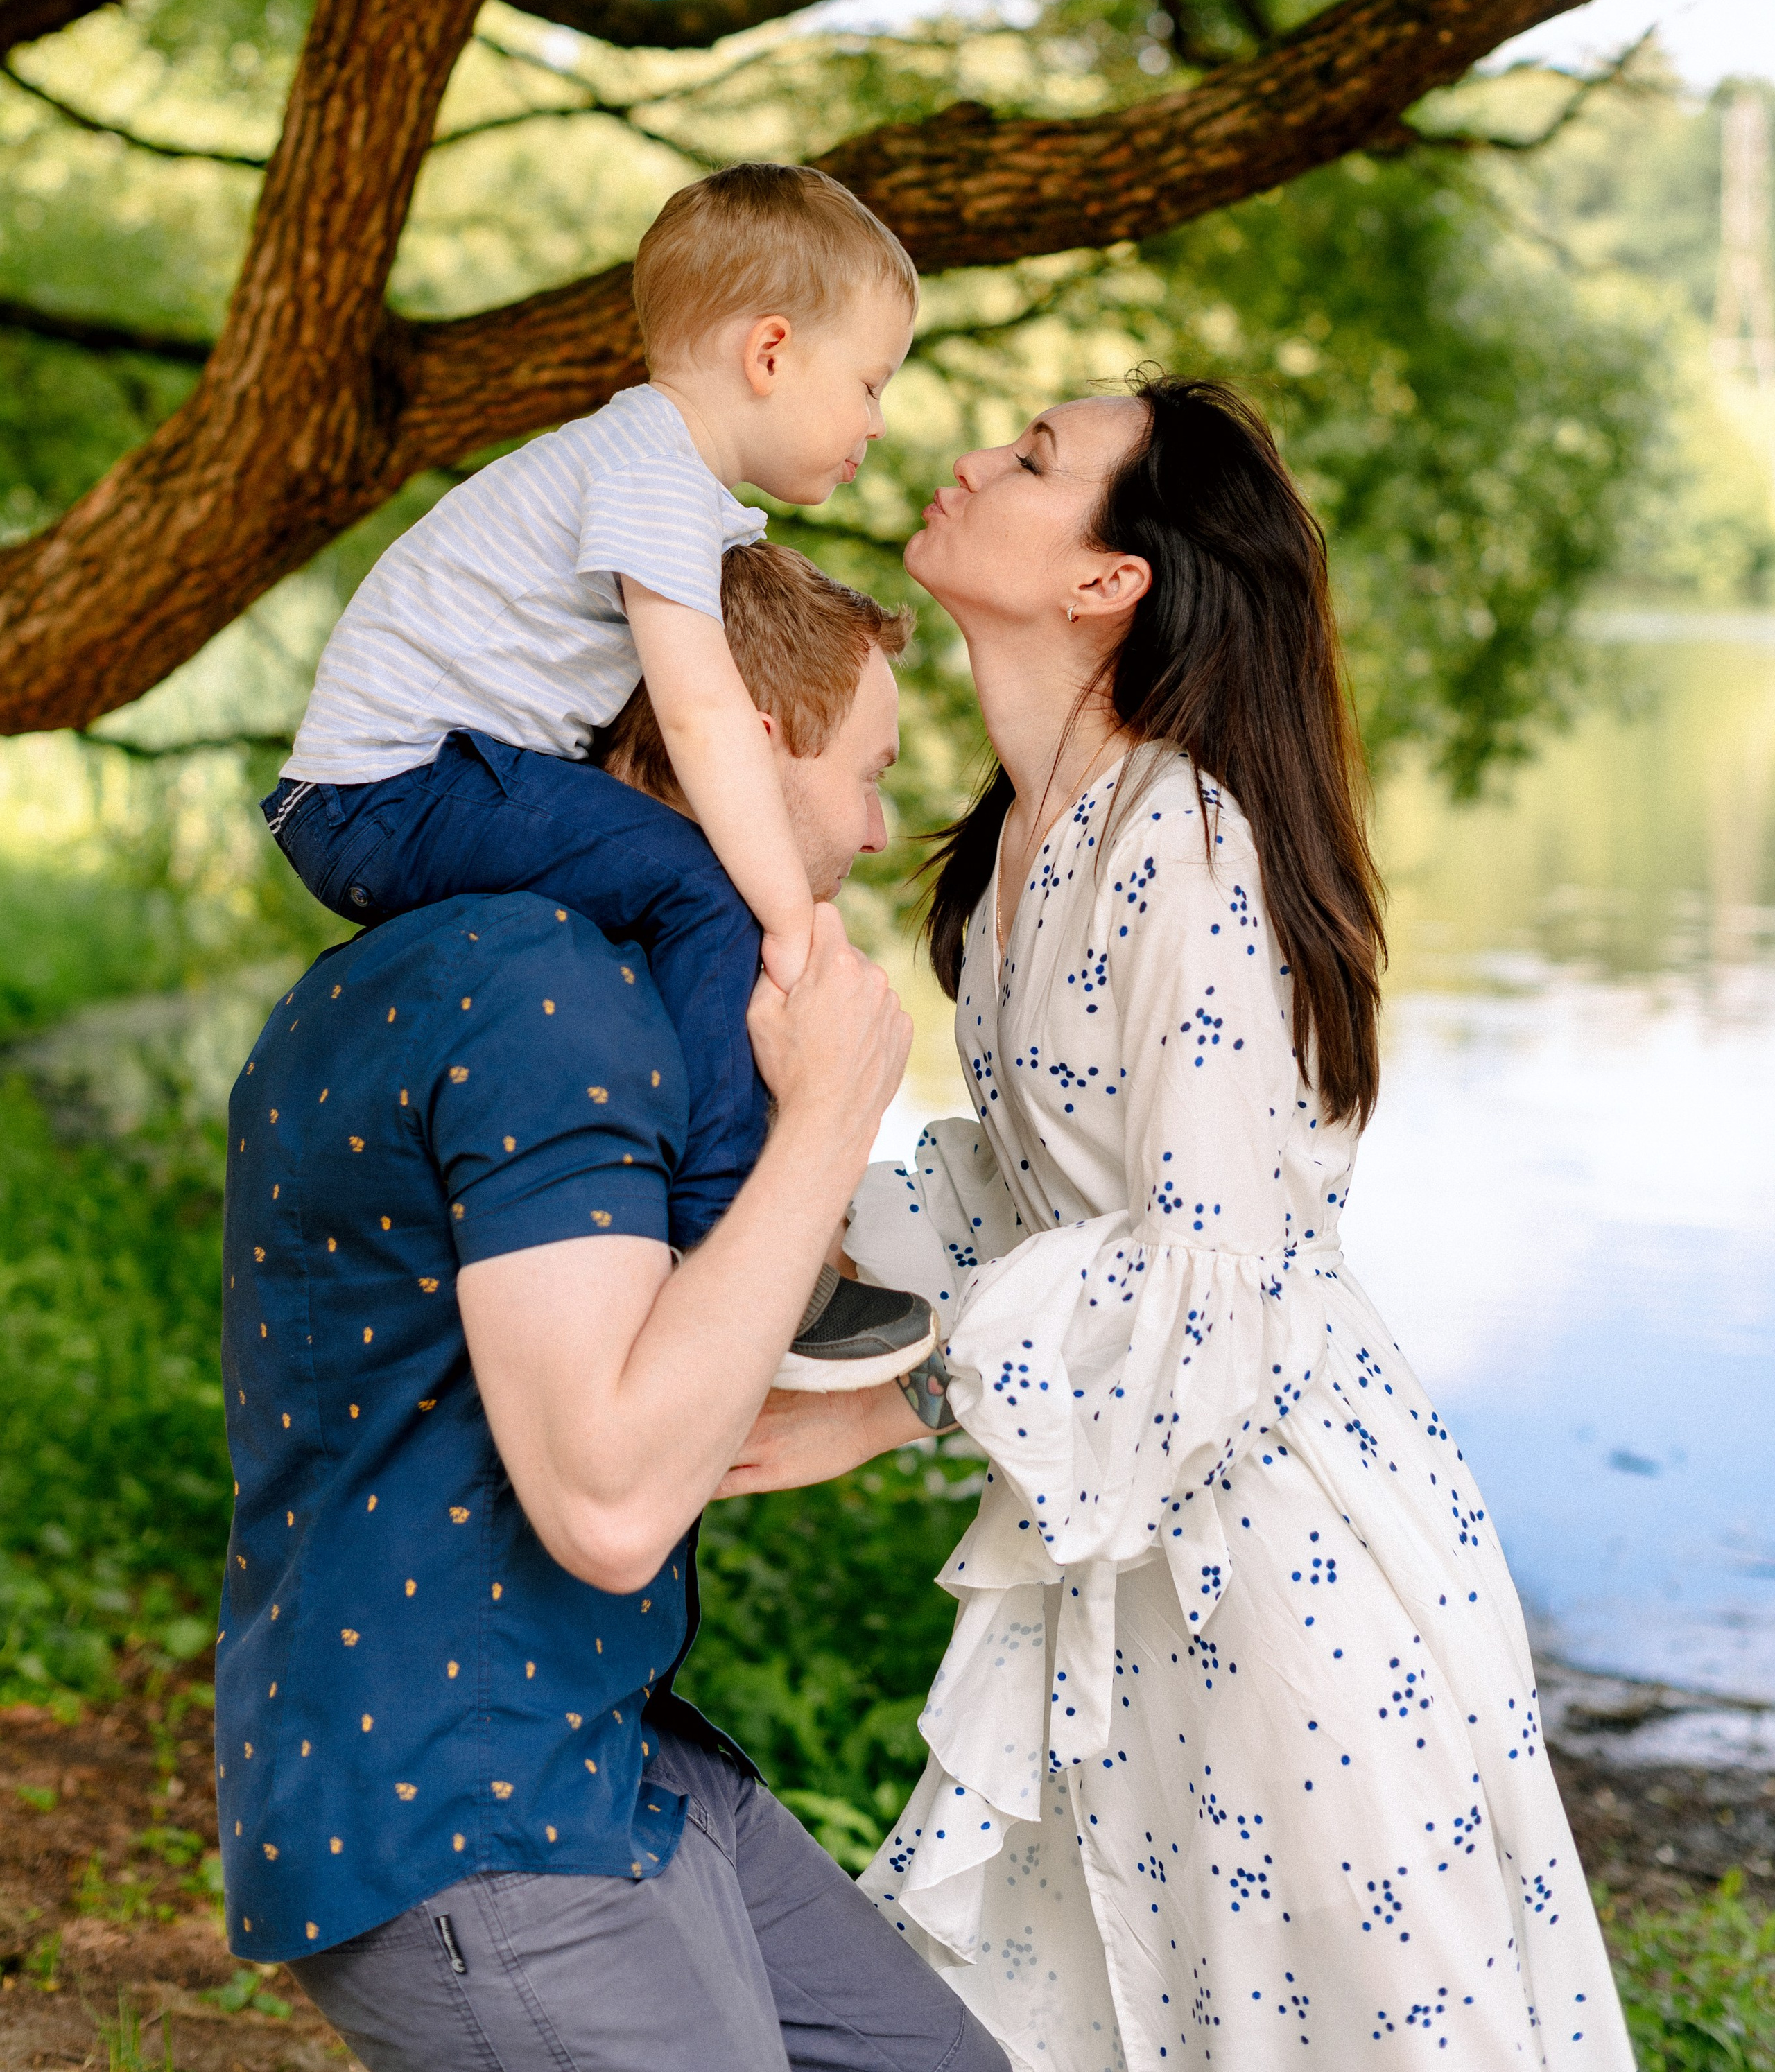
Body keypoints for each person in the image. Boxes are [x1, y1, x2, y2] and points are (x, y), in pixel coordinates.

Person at [731, 376, 1634, 2071]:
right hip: (1131, 1530)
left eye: (1030, 461)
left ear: (1106, 579)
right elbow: (1014, 1191)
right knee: (1143, 2010)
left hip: (1284, 1549)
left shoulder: (1191, 844)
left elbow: (1214, 1274)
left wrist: (891, 1402)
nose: (967, 461)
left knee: (1353, 2021)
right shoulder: (1026, 838)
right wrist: (772, 1237)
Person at [216, 544, 1006, 2072]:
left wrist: (916, 1389)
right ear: (755, 740)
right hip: (476, 1814)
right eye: (865, 774)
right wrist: (837, 1112)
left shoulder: (426, 967)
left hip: (595, 1754)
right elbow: (611, 1502)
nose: (867, 829)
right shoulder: (540, 996)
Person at [259, 164, 930, 1390]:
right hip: (392, 791)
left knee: (671, 881)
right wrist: (788, 920)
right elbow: (704, 710)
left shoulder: (654, 475)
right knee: (703, 887)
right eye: (873, 382)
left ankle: (685, 1179)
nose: (879, 420)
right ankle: (731, 1239)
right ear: (771, 352)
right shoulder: (647, 473)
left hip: (410, 783)